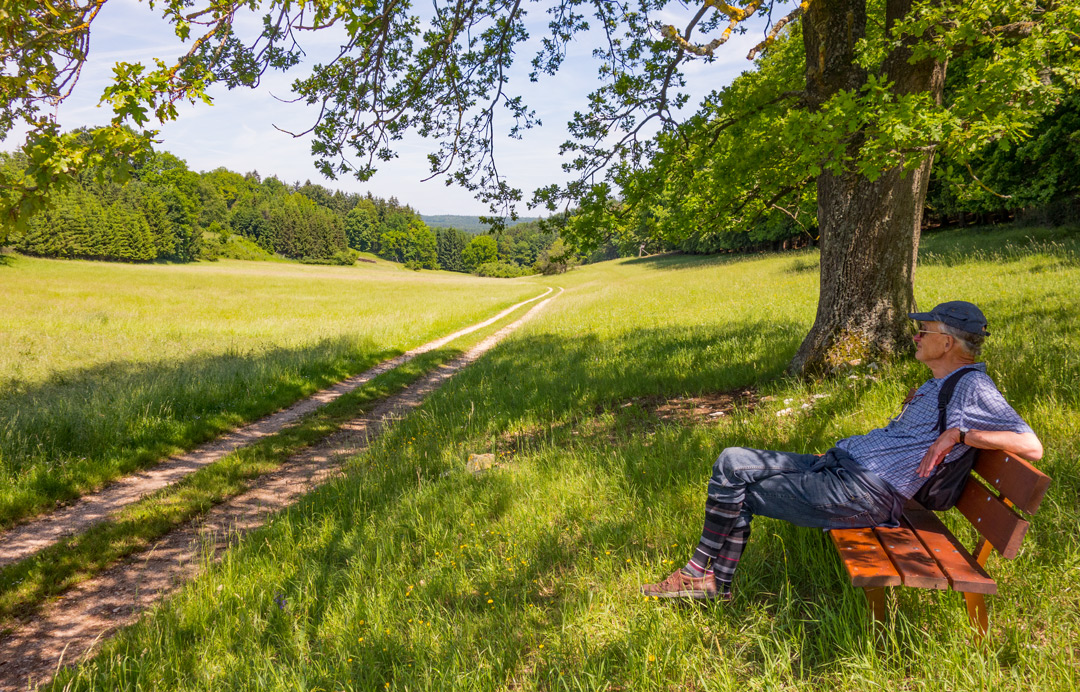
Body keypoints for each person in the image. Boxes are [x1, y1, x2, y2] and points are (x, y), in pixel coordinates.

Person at [641, 300, 1044, 601]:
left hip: (865, 493)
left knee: (739, 493)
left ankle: (705, 579)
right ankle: (707, 579)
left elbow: (1031, 445)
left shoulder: (973, 386)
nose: (916, 337)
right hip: (841, 469)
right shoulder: (940, 383)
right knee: (732, 461)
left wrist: (958, 435)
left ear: (947, 341)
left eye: (924, 331)